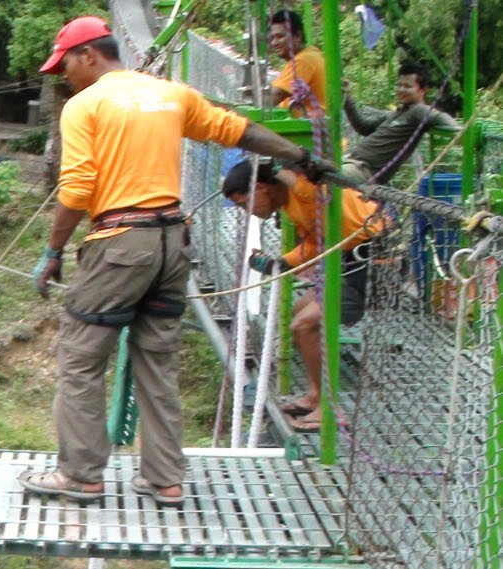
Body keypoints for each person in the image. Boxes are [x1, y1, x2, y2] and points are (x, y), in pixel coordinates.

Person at [25, 16, 336, 507]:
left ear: (88, 55)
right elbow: (241, 131)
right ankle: (165, 478)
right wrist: (301, 157)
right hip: (173, 243)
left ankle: (81, 474)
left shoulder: (84, 105)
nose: (63, 76)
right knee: (157, 360)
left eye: (64, 65)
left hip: (121, 243)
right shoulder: (172, 94)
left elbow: (79, 188)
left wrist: (54, 250)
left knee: (81, 359)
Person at [221, 160, 384, 433]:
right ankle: (315, 395)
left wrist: (277, 167)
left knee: (305, 325)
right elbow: (315, 240)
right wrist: (281, 262)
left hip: (371, 260)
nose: (247, 211)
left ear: (261, 188)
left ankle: (330, 409)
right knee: (299, 312)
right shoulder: (290, 206)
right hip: (347, 260)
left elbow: (315, 187)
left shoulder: (304, 189)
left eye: (244, 203)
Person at [339, 62, 460, 184]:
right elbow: (363, 127)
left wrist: (459, 132)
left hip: (365, 171)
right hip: (352, 162)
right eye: (399, 85)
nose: (401, 90)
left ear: (423, 90)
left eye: (407, 86)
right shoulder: (396, 113)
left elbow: (441, 117)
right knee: (321, 166)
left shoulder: (418, 111)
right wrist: (347, 98)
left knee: (328, 176)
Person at [268, 9, 327, 119]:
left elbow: (272, 98)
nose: (274, 43)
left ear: (298, 36)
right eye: (272, 38)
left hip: (310, 133)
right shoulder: (313, 55)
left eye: (280, 36)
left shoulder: (303, 60)